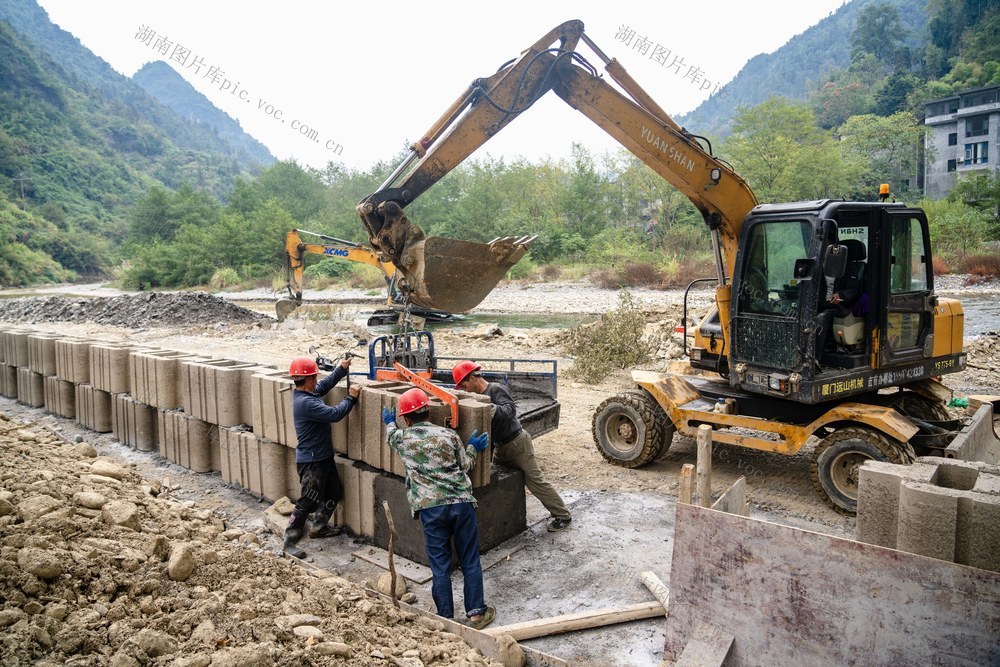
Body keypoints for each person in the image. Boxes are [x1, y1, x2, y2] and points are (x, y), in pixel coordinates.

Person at [382, 388, 496, 630]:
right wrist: (474, 447)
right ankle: (477, 614)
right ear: (429, 411)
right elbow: (465, 465)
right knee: (469, 560)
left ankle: (445, 617)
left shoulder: (402, 438)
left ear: (406, 419)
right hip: (461, 504)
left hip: (431, 509)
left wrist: (390, 422)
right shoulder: (449, 435)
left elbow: (390, 435)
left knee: (440, 565)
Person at [452, 361, 573, 532]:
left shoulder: (495, 389)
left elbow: (510, 411)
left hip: (517, 444)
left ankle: (562, 515)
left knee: (535, 482)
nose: (464, 389)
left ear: (473, 378)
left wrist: (493, 409)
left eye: (464, 385)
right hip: (501, 448)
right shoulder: (476, 398)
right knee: (498, 480)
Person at [284, 355, 361, 559]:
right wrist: (351, 397)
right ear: (308, 379)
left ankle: (318, 527)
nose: (317, 380)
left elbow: (325, 385)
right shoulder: (305, 403)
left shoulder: (308, 393)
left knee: (334, 492)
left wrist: (341, 369)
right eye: (314, 377)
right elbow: (335, 414)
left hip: (323, 457)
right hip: (311, 461)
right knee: (308, 500)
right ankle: (289, 538)